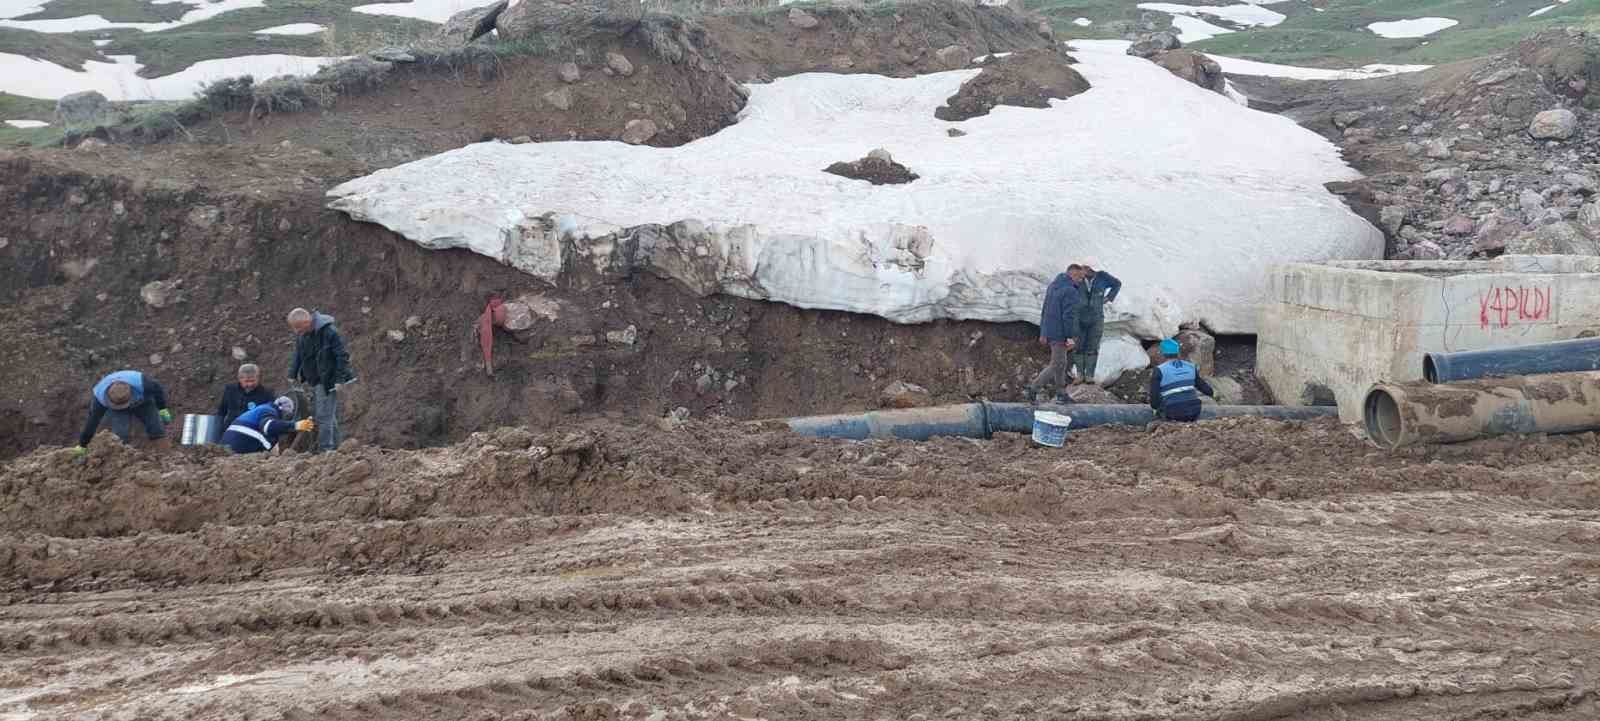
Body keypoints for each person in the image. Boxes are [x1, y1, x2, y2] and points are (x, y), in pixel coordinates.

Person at [287, 308, 355, 453]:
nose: (296, 331)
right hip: (316, 380)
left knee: (324, 416)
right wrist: (292, 374)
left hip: (329, 380)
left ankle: (325, 450)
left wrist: (339, 379)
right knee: (328, 415)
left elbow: (342, 356)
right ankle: (337, 449)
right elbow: (298, 355)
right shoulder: (303, 335)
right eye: (294, 328)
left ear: (307, 322)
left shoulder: (329, 332)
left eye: (298, 327)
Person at [1025, 264, 1085, 405]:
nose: (1082, 281)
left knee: (1061, 363)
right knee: (1056, 364)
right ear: (1073, 275)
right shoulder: (1071, 291)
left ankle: (1061, 393)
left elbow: (1045, 310)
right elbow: (1069, 316)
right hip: (1060, 332)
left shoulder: (1053, 286)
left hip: (1051, 330)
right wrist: (1070, 336)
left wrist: (1044, 332)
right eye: (1080, 277)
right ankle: (1033, 388)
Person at [74, 370, 172, 455]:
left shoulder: (143, 383)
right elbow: (92, 422)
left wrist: (162, 409)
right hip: (118, 411)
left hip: (142, 402)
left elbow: (158, 390)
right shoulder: (99, 398)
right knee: (120, 435)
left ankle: (166, 456)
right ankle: (121, 460)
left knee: (155, 427)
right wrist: (83, 444)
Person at [1074, 257, 1122, 385]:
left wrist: (1109, 298)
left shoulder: (1103, 276)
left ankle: (1089, 375)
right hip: (1078, 317)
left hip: (1096, 318)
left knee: (1093, 346)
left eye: (1094, 270)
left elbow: (1117, 284)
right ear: (1084, 268)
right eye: (1090, 270)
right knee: (1078, 346)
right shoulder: (1076, 278)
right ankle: (1079, 375)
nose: (1093, 272)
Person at [220, 396, 314, 454]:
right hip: (239, 447)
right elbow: (268, 427)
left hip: (228, 447)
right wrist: (295, 425)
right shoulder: (269, 411)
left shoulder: (262, 409)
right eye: (287, 416)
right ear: (283, 411)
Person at [1149, 338, 1215, 422]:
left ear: (1162, 353)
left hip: (1173, 413)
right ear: (1177, 352)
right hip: (1195, 411)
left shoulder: (1159, 370)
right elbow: (1204, 387)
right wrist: (1214, 395)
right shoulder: (1190, 366)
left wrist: (1155, 408)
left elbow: (1154, 396)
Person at [215, 363, 276, 430]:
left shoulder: (267, 393)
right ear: (240, 378)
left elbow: (271, 416)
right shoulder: (230, 390)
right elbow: (221, 412)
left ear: (258, 378)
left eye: (253, 381)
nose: (250, 384)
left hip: (253, 431)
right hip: (230, 429)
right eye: (246, 381)